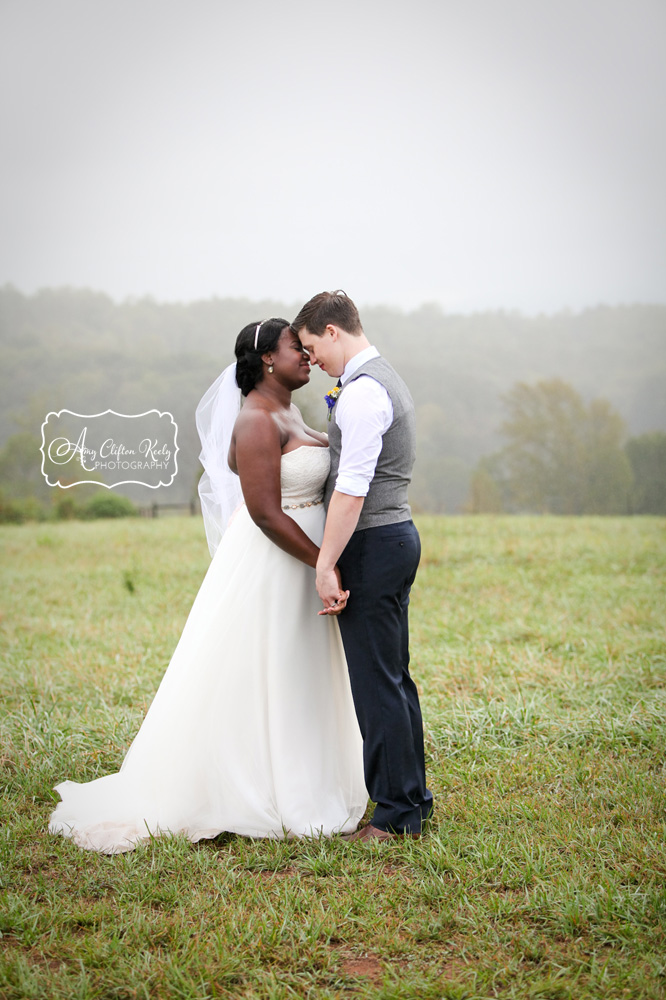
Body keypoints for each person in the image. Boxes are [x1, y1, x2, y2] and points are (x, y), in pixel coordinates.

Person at [49, 319, 367, 853]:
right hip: (278, 559)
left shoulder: (287, 408)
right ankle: (258, 786)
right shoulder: (256, 418)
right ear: (267, 358)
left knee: (299, 668)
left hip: (302, 558)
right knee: (270, 667)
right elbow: (265, 513)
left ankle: (310, 775)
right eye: (297, 349)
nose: (307, 357)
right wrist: (322, 563)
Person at [292, 291, 433, 842]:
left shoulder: (362, 393)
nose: (312, 361)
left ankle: (396, 817)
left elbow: (352, 489)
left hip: (373, 543)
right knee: (393, 679)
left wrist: (326, 564)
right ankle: (412, 801)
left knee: (377, 683)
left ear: (332, 331)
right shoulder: (377, 381)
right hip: (391, 537)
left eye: (311, 347)